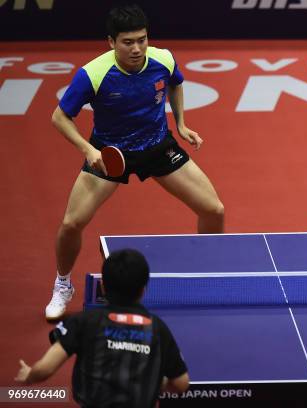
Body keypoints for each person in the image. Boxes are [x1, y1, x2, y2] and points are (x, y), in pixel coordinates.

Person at [45, 4, 224, 320]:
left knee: (214, 210)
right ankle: (62, 284)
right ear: (111, 42)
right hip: (110, 155)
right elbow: (60, 117)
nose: (137, 48)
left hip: (157, 147)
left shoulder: (162, 59)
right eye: (128, 42)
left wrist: (180, 123)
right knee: (72, 223)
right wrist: (88, 150)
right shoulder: (94, 74)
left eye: (142, 39)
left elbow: (176, 82)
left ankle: (206, 272)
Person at [16, 249, 189, 407]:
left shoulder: (84, 321)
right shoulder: (158, 328)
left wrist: (30, 375)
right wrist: (150, 377)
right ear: (143, 290)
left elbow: (45, 368)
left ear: (103, 286)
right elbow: (181, 383)